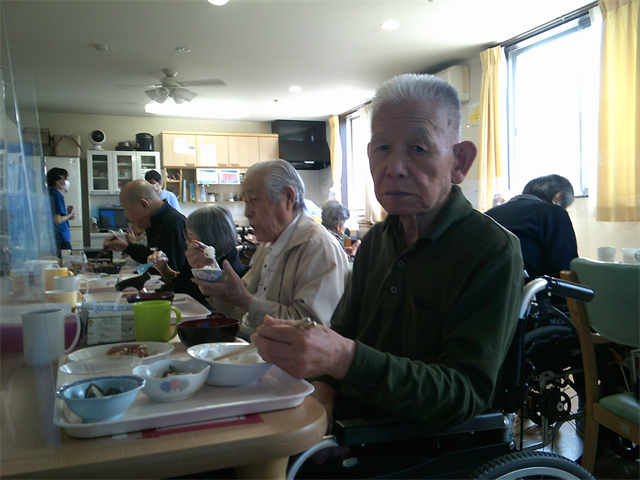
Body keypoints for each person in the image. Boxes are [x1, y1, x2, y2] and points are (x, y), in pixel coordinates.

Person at [251, 74, 524, 432]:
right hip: (348, 428)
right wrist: (324, 397)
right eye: (382, 148)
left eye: (418, 148)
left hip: (414, 444)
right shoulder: (377, 241)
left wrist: (344, 358)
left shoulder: (491, 249)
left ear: (459, 162)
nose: (393, 167)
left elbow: (464, 393)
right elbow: (343, 334)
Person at [187, 159, 350, 337]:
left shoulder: (319, 247)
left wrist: (245, 300)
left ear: (288, 198)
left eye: (255, 200)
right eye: (246, 201)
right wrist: (213, 278)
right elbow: (240, 307)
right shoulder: (268, 243)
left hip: (284, 359)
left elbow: (313, 329)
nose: (247, 212)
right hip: (251, 342)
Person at [147, 205, 247, 307]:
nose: (186, 241)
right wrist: (164, 268)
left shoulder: (225, 269)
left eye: (190, 236)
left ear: (208, 238)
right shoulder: (200, 256)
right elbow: (182, 285)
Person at [485, 174, 578, 279]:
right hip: (531, 290)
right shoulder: (554, 212)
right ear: (558, 198)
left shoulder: (490, 214)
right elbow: (564, 268)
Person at [102, 179, 187, 272]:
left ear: (144, 204)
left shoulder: (173, 224)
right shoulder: (155, 220)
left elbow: (174, 273)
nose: (125, 214)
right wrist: (126, 247)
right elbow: (151, 257)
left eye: (126, 209)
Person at [47, 167, 75, 257]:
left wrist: (66, 215)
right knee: (66, 265)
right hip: (61, 239)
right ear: (57, 181)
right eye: (64, 179)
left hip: (54, 238)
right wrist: (70, 214)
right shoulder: (57, 195)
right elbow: (57, 220)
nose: (66, 181)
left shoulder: (50, 193)